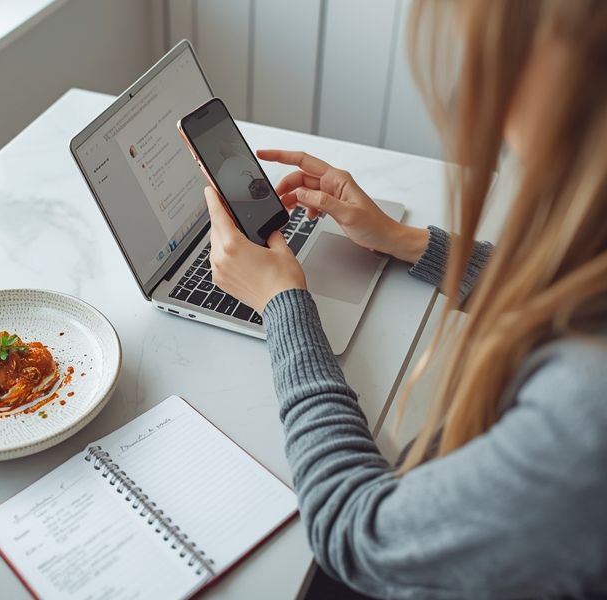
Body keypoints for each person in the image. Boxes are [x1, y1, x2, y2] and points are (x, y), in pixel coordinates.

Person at [203, 0, 607, 598]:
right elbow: (574, 290)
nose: (480, 83)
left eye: (500, 48)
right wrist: (404, 240)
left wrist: (284, 305)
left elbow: (356, 532)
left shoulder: (584, 414)